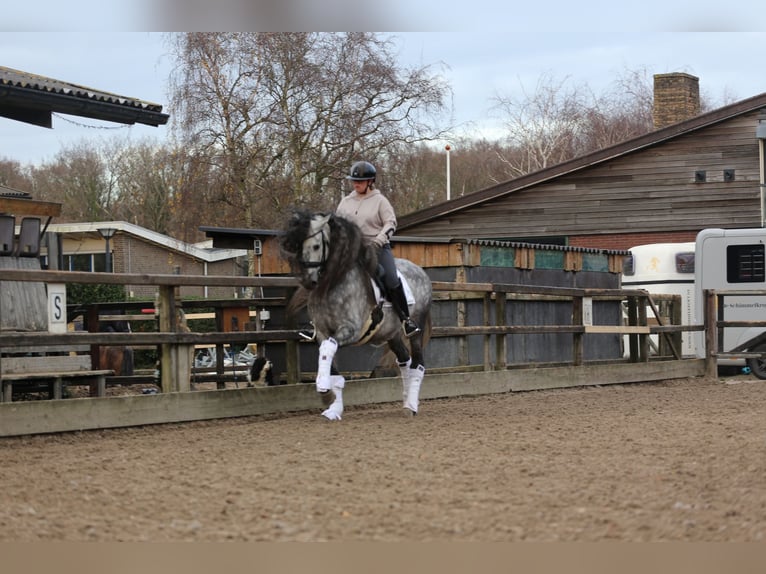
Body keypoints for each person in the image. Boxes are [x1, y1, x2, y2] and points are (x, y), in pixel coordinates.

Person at [336, 160, 420, 337]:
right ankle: (317, 323)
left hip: (377, 247)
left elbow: (391, 223)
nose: (356, 183)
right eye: (354, 180)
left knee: (390, 278)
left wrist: (378, 241)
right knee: (327, 273)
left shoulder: (380, 201)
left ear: (370, 181)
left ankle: (406, 320)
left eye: (360, 181)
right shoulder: (345, 202)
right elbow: (338, 225)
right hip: (352, 249)